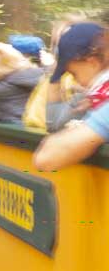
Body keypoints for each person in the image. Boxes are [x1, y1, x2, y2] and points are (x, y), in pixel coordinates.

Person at [33, 22, 109, 170]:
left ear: (92, 62)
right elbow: (55, 124)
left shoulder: (102, 97)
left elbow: (45, 159)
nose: (75, 81)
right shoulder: (92, 97)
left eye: (74, 73)